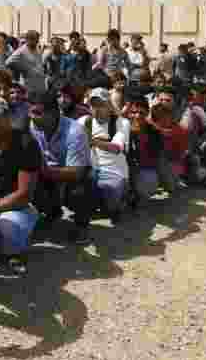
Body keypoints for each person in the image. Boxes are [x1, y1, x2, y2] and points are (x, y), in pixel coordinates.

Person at [0, 96, 43, 274]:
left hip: (19, 207)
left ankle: (15, 252)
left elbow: (24, 195)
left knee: (7, 225)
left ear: (8, 117)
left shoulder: (26, 143)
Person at [28, 89, 95, 245]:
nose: (31, 117)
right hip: (48, 174)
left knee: (82, 186)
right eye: (30, 112)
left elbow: (76, 172)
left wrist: (44, 170)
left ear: (53, 113)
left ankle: (81, 225)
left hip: (71, 175)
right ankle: (52, 212)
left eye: (37, 113)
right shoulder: (33, 126)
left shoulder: (75, 131)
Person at [79, 88, 131, 223]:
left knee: (110, 191)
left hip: (114, 172)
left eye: (101, 105)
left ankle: (117, 204)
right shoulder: (84, 121)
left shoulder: (121, 123)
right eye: (93, 105)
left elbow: (117, 148)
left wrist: (92, 141)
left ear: (109, 105)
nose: (97, 109)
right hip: (91, 169)